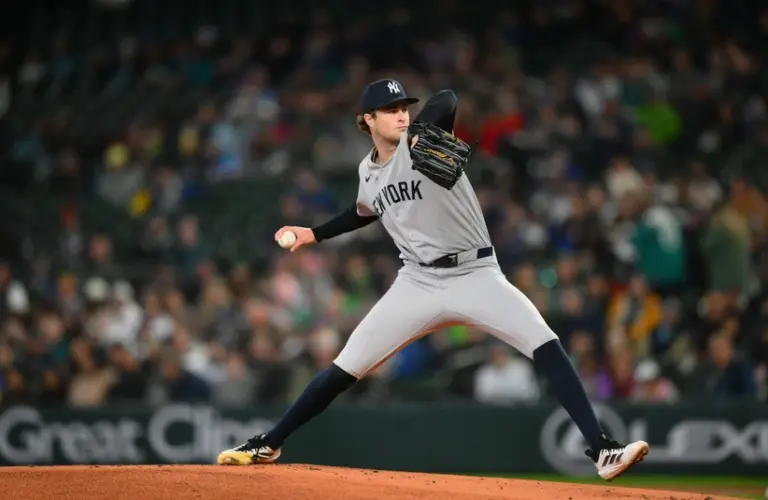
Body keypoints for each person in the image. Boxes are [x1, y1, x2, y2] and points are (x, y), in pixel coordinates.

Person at [217, 79, 649, 480]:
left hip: (476, 273)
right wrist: (313, 233)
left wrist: (422, 128)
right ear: (368, 120)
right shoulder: (368, 172)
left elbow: (447, 99)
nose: (400, 114)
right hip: (417, 283)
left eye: (403, 107)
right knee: (344, 367)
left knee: (545, 343)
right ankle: (269, 444)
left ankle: (602, 450)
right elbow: (361, 212)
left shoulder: (425, 140)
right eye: (389, 109)